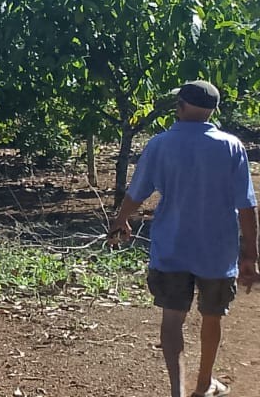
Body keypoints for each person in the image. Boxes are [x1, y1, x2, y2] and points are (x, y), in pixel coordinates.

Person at [109, 80, 259, 397]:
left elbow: (137, 193)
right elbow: (246, 205)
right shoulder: (231, 146)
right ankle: (204, 385)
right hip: (216, 251)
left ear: (179, 106)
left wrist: (121, 219)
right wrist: (250, 255)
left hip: (171, 246)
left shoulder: (160, 144)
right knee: (212, 316)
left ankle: (176, 391)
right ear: (213, 111)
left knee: (172, 319)